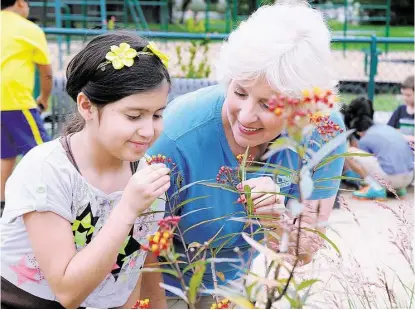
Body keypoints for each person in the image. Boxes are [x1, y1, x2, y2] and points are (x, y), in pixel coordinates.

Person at [148, 1, 346, 308]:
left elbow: (304, 251)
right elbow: (138, 244)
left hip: (232, 284)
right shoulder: (176, 134)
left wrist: (273, 219)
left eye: (268, 105)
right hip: (162, 283)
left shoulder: (324, 132)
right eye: (239, 92)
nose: (246, 116)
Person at [1, 32, 171, 309]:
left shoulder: (145, 173)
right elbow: (68, 292)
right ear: (86, 106)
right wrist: (128, 208)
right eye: (133, 116)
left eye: (157, 114)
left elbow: (132, 272)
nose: (148, 130)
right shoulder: (47, 170)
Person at [1, 0, 53, 214]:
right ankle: (50, 202)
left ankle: (3, 204)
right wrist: (44, 98)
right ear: (21, 3)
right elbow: (46, 71)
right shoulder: (30, 29)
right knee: (46, 154)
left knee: (5, 154)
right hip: (15, 101)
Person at [343, 97, 414, 200]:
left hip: (391, 178)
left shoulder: (365, 138)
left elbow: (364, 167)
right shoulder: (387, 129)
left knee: (349, 152)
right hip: (408, 178)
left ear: (359, 131)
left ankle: (375, 188)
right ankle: (398, 190)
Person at [387, 75, 414, 143]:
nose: (404, 98)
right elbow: (388, 130)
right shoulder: (400, 110)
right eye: (403, 94)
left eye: (408, 95)